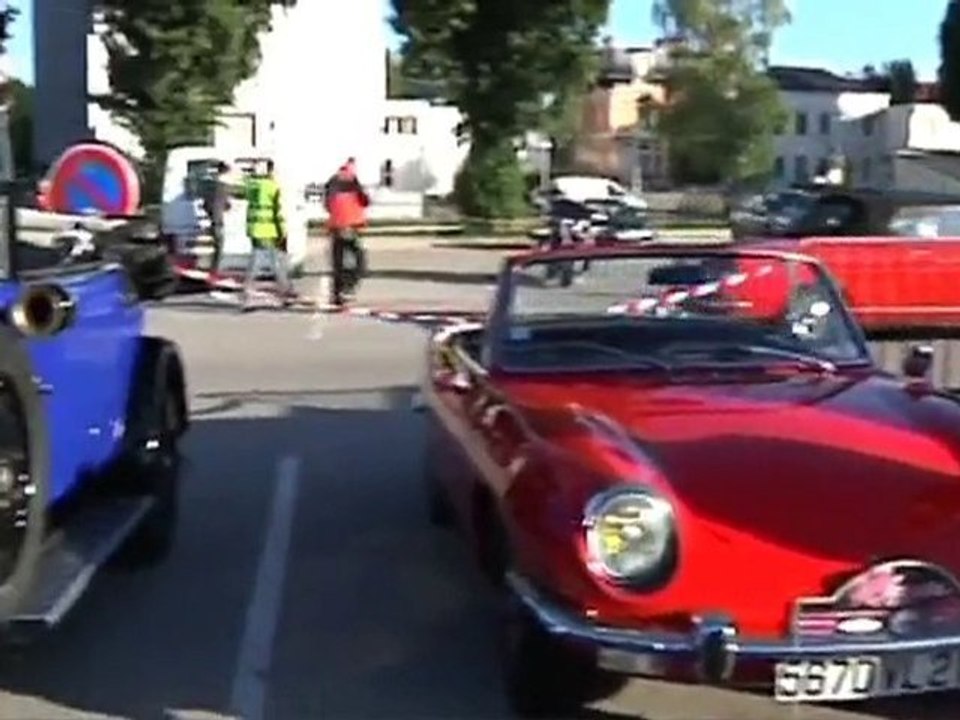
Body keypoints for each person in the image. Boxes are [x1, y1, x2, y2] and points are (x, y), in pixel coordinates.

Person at [241, 158, 295, 312]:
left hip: (254, 228)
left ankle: (283, 291)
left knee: (260, 260)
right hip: (268, 229)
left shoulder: (251, 185)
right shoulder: (272, 187)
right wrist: (282, 231)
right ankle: (285, 292)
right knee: (273, 262)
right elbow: (278, 212)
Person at [324, 158, 370, 306]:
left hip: (336, 227)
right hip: (351, 227)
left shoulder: (332, 183)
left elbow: (327, 205)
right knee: (360, 261)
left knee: (337, 263)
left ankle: (336, 295)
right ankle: (348, 287)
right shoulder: (354, 182)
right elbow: (365, 201)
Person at [202, 161, 231, 276]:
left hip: (213, 218)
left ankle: (213, 268)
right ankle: (215, 269)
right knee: (219, 245)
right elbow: (226, 204)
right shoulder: (223, 186)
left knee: (216, 244)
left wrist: (210, 213)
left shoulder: (211, 185)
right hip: (218, 219)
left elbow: (205, 204)